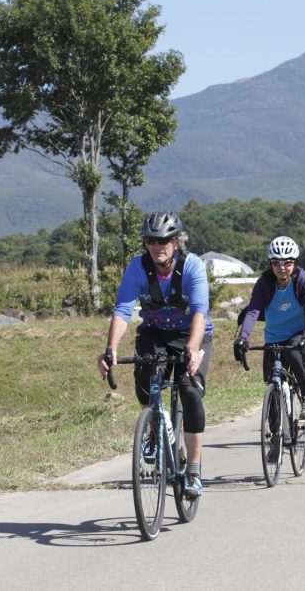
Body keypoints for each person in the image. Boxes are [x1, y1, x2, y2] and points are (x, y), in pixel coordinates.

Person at [97, 211, 213, 499]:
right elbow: (123, 310)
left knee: (189, 389)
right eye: (151, 241)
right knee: (145, 377)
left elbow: (200, 311)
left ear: (176, 242)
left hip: (191, 333)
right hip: (155, 332)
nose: (157, 247)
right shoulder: (138, 267)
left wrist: (193, 349)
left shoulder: (192, 266)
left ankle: (194, 471)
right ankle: (152, 426)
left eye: (164, 241)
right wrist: (110, 349)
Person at [234, 236, 305, 421]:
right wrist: (243, 337)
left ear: (295, 263)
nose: (282, 267)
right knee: (272, 383)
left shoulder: (303, 281)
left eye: (287, 263)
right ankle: (275, 438)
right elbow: (253, 311)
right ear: (270, 263)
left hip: (299, 333)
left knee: (295, 354)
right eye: (276, 263)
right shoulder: (264, 283)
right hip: (274, 337)